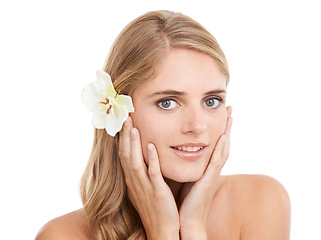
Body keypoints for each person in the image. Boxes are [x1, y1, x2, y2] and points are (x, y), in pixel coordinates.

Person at [36, 10, 291, 240]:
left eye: (211, 101)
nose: (197, 126)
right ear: (121, 112)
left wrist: (192, 227)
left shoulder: (261, 202)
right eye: (168, 103)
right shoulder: (63, 235)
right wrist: (164, 233)